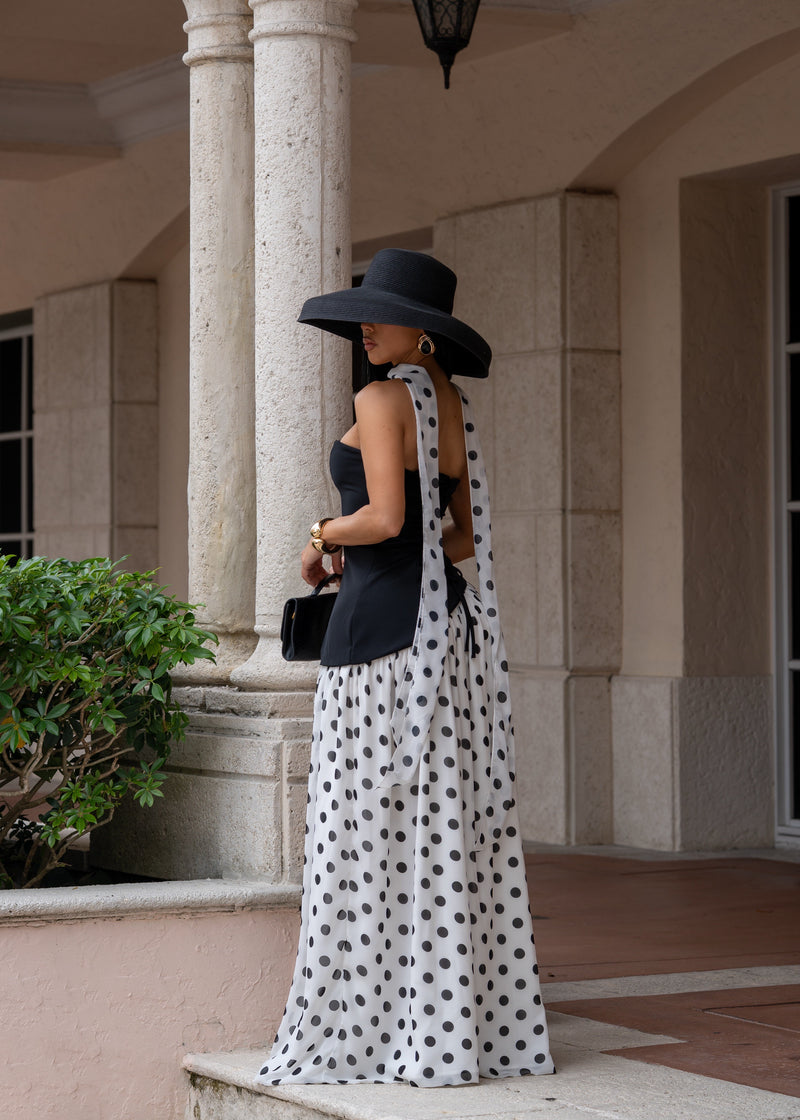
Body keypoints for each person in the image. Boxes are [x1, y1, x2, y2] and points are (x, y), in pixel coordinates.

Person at [256, 249, 554, 1088]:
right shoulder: (447, 400)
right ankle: (438, 1023)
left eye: (379, 313)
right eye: (363, 311)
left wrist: (321, 536)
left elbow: (385, 518)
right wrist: (360, 545)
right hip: (440, 632)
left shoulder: (383, 397)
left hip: (377, 640)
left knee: (364, 825)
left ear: (422, 330)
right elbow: (454, 539)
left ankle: (364, 1021)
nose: (365, 325)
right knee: (430, 823)